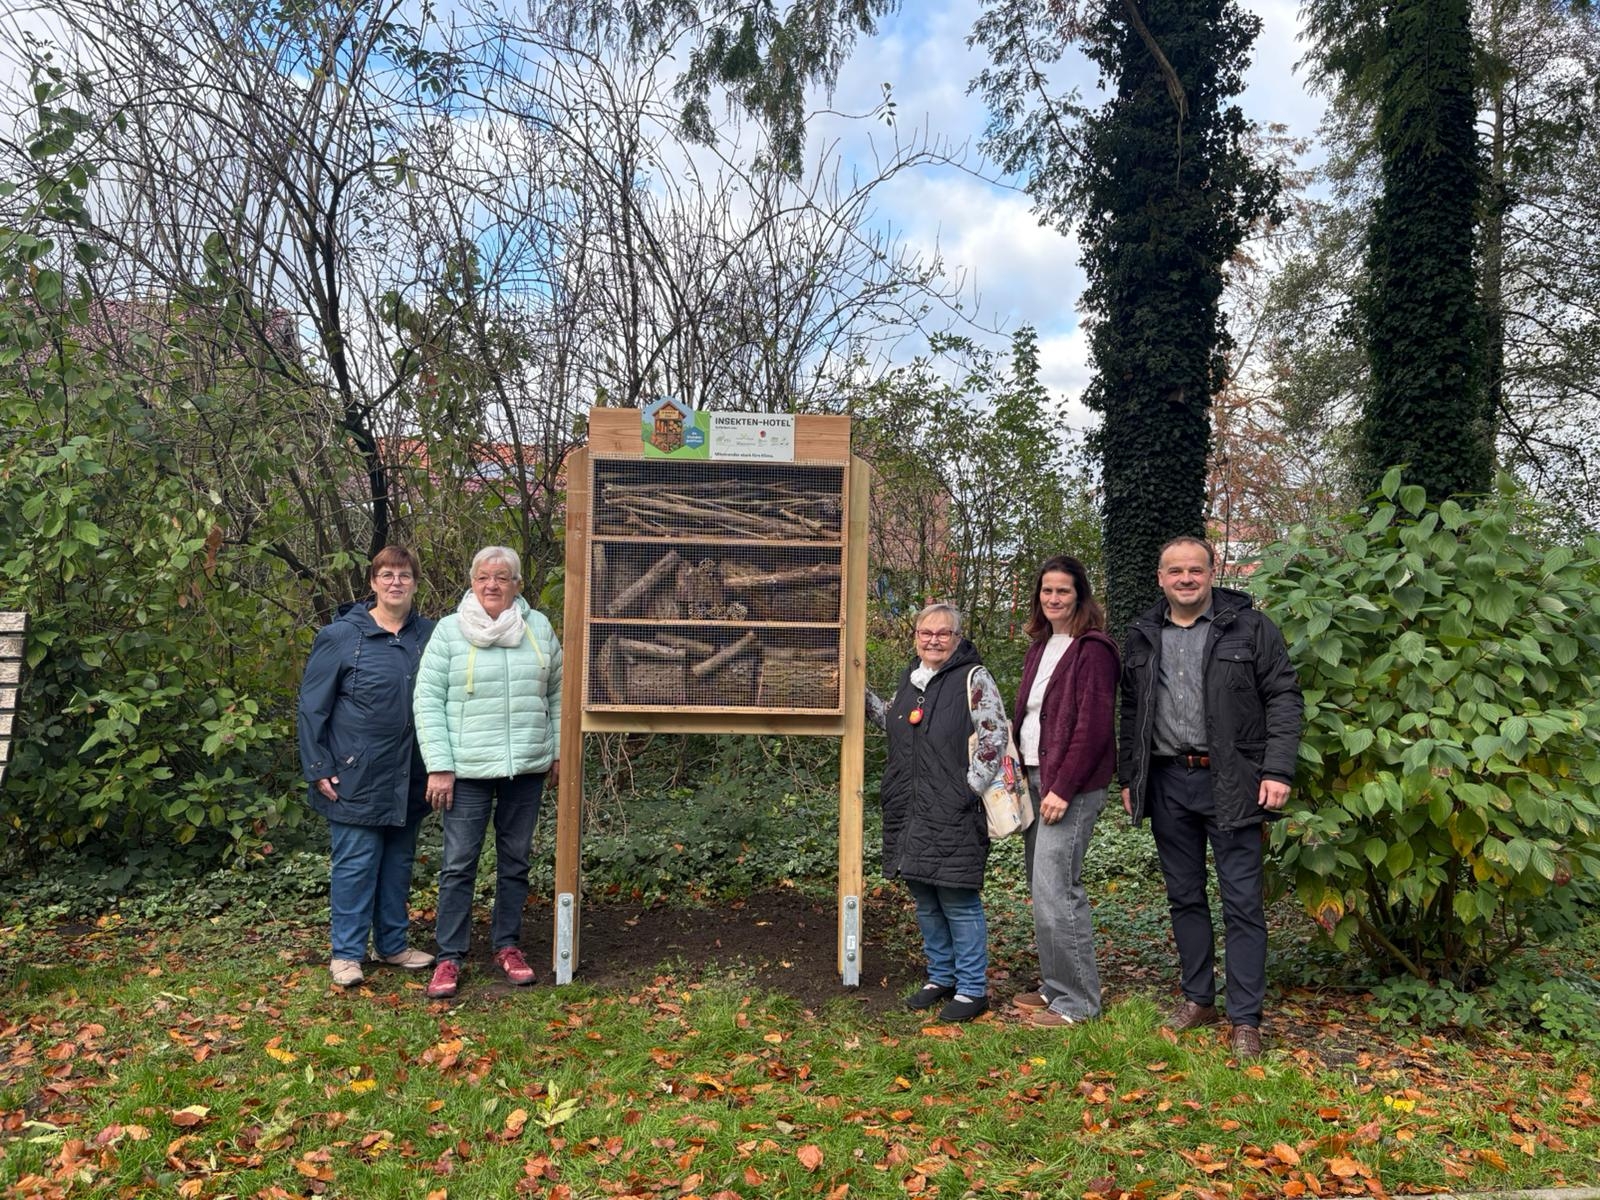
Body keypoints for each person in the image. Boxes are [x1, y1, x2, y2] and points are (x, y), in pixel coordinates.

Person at [1119, 536, 1302, 1059]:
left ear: (1211, 572)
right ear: (1161, 578)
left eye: (1195, 570)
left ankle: (1246, 1018)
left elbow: (1284, 698)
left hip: (1235, 779)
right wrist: (1129, 779)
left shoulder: (1250, 627)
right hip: (1167, 780)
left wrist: (1277, 768)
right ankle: (1198, 998)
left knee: (1242, 903)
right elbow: (1132, 711)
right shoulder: (1143, 634)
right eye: (1174, 570)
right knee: (1184, 896)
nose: (1185, 578)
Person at [413, 546, 562, 1000]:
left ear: (517, 584)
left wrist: (555, 751)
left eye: (502, 577)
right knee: (459, 865)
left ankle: (508, 946)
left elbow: (557, 693)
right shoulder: (449, 631)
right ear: (472, 582)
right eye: (483, 577)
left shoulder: (537, 628)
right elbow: (427, 700)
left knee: (516, 862)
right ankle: (449, 957)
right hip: (467, 769)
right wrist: (439, 766)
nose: (491, 585)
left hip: (526, 768)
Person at [298, 546, 437, 988]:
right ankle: (347, 953)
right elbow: (311, 707)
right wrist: (318, 764)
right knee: (356, 863)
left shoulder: (431, 636)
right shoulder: (341, 636)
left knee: (398, 862)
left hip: (411, 772)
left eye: (404, 574)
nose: (396, 582)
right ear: (373, 582)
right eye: (387, 574)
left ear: (416, 582)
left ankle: (393, 944)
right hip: (354, 772)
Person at [868, 602, 1007, 1022]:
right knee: (925, 897)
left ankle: (971, 988)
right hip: (909, 807)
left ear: (958, 638)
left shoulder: (973, 677)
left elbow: (994, 736)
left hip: (953, 808)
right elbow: (894, 721)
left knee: (958, 899)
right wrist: (859, 694)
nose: (933, 640)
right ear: (915, 636)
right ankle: (941, 976)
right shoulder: (913, 680)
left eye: (943, 633)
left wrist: (968, 789)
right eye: (926, 633)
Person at [1009, 556, 1120, 1027]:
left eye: (1063, 591)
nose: (1053, 599)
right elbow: (1031, 716)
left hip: (1067, 787)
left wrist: (1063, 788)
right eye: (1047, 591)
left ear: (1081, 596)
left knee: (1059, 888)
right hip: (1035, 778)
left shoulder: (1092, 649)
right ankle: (1056, 987)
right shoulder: (1041, 646)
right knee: (1043, 887)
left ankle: (1078, 1004)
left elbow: (1093, 730)